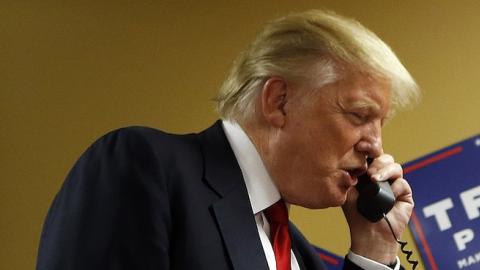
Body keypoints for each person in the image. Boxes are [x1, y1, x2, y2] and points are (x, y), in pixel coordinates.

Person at [36, 9, 420, 270]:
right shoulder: (143, 165)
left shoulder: (300, 253)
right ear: (278, 101)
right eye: (359, 116)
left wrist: (375, 247)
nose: (375, 145)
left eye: (380, 123)